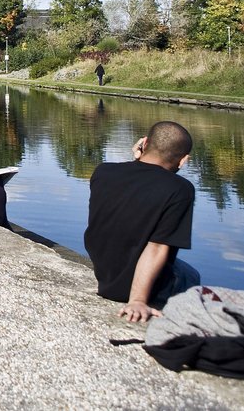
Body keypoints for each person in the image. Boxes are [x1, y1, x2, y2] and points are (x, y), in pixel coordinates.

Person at [84, 121, 199, 323]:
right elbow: (157, 247)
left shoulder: (103, 172)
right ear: (183, 160)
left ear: (143, 143)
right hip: (134, 289)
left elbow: (135, 186)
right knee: (190, 275)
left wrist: (137, 160)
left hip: (105, 275)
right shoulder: (180, 189)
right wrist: (137, 300)